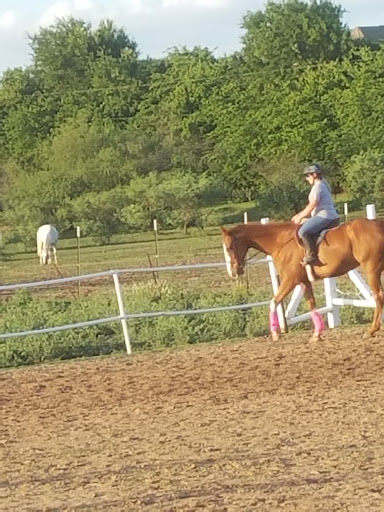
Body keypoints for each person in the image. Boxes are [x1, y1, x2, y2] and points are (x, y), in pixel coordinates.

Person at [291, 163, 339, 265]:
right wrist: (300, 215)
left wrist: (300, 216)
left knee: (302, 231)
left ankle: (311, 255)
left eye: (307, 175)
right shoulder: (323, 184)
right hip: (328, 215)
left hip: (324, 216)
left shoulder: (318, 186)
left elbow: (313, 204)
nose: (306, 178)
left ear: (314, 175)